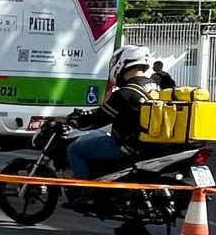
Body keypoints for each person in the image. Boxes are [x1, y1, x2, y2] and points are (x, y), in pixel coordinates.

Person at [66, 48, 156, 181]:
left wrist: (70, 120)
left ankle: (82, 191)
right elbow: (109, 110)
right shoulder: (153, 86)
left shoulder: (124, 93)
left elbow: (93, 122)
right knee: (97, 135)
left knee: (74, 149)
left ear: (122, 63)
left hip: (126, 146)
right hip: (146, 144)